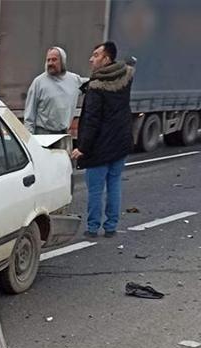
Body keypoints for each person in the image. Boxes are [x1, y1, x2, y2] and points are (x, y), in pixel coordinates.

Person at [71, 41, 135, 238]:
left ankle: (92, 228)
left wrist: (82, 148)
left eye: (96, 55)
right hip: (121, 141)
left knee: (96, 189)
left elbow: (91, 119)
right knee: (114, 184)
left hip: (100, 145)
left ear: (106, 59)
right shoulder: (126, 77)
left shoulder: (97, 86)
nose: (92, 59)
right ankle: (111, 226)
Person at [23, 46, 85, 134]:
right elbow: (29, 113)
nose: (50, 63)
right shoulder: (38, 82)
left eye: (54, 60)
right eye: (48, 60)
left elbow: (93, 84)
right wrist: (29, 138)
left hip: (63, 134)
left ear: (62, 61)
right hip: (43, 134)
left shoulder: (74, 80)